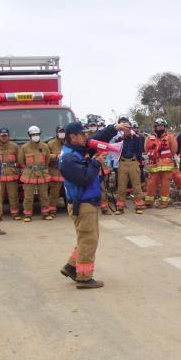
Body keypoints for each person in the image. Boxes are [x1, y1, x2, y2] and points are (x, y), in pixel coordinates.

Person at [59, 121, 129, 289]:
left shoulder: (76, 150)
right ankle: (84, 277)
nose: (85, 137)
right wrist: (97, 162)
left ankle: (71, 266)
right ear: (72, 137)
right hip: (82, 203)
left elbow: (96, 138)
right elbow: (84, 178)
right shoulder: (68, 158)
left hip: (86, 202)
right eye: (82, 134)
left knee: (86, 238)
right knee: (88, 239)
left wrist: (113, 128)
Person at [18, 126, 53, 222]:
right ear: (29, 135)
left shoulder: (44, 146)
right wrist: (28, 168)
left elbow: (47, 160)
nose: (35, 136)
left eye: (37, 134)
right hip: (29, 174)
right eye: (33, 135)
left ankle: (45, 213)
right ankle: (28, 214)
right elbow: (21, 161)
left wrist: (42, 167)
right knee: (28, 196)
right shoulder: (24, 147)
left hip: (42, 174)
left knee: (44, 195)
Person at [144, 118, 178, 208]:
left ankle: (164, 202)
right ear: (155, 127)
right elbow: (146, 149)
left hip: (166, 164)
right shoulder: (149, 137)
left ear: (164, 127)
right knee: (151, 183)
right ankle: (148, 201)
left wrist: (166, 157)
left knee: (165, 184)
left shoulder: (170, 137)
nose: (160, 128)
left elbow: (174, 149)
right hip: (154, 164)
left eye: (161, 126)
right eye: (158, 126)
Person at [116, 121, 145, 214]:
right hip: (122, 162)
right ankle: (120, 207)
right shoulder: (120, 138)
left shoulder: (137, 138)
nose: (126, 130)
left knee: (136, 185)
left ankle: (139, 206)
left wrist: (138, 161)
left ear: (131, 128)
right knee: (121, 185)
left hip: (133, 162)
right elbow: (117, 150)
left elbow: (139, 150)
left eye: (128, 128)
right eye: (124, 128)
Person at [0, 127, 21, 220]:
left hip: (11, 175)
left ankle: (15, 213)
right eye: (2, 136)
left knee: (13, 195)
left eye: (5, 136)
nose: (4, 137)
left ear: (9, 136)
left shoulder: (15, 146)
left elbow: (20, 160)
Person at [47, 126, 66, 217]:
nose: (62, 133)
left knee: (71, 191)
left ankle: (72, 207)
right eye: (60, 131)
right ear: (56, 133)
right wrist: (55, 156)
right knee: (54, 192)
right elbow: (46, 155)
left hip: (68, 171)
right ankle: (52, 209)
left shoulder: (70, 142)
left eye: (63, 131)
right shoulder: (50, 144)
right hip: (56, 170)